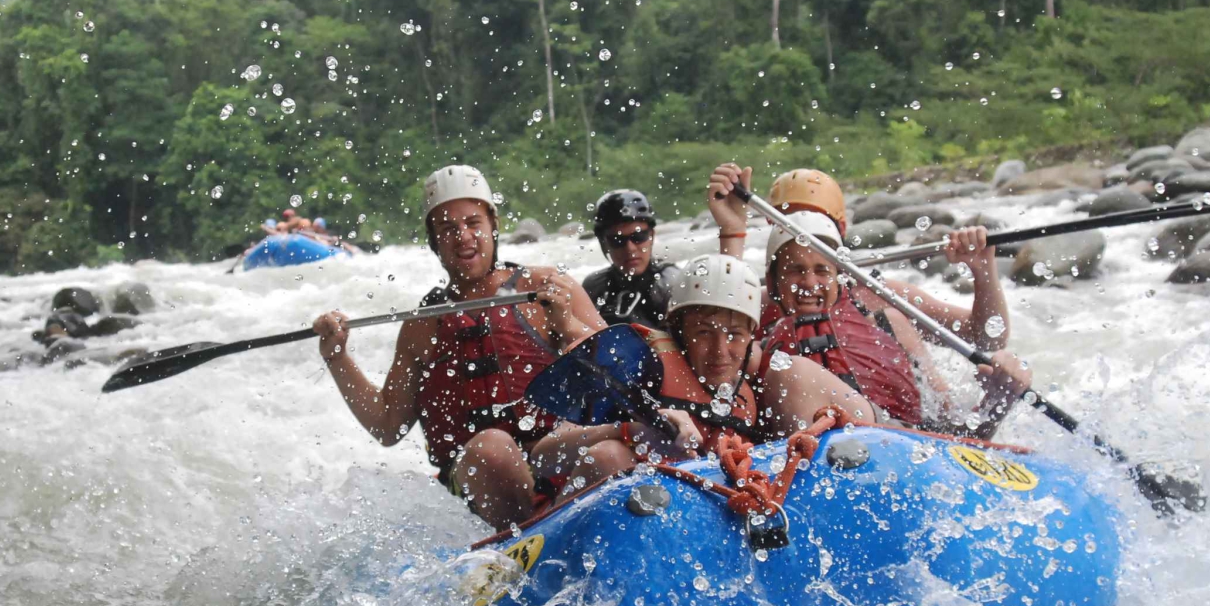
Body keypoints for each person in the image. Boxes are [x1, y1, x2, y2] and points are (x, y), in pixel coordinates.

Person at [313, 165, 607, 529]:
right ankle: (529, 544)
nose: (463, 237)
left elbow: (617, 372)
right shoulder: (422, 325)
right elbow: (388, 425)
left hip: (552, 458)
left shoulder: (547, 286)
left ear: (492, 225)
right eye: (448, 228)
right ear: (434, 240)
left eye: (473, 223)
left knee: (612, 446)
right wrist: (337, 358)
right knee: (492, 449)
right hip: (477, 479)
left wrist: (566, 323)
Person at [531, 254, 877, 496]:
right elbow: (543, 456)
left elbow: (867, 424)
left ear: (751, 336)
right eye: (703, 333)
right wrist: (632, 429)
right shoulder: (641, 369)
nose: (720, 351)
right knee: (609, 455)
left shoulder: (770, 375)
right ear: (679, 332)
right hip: (638, 512)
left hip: (720, 508)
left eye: (734, 335)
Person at [745, 205, 1033, 438]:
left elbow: (987, 339)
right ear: (773, 280)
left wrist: (983, 270)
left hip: (894, 439)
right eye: (795, 271)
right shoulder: (754, 316)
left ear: (838, 272)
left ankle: (999, 399)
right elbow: (711, 318)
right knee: (789, 372)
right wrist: (730, 231)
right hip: (804, 447)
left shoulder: (884, 304)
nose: (809, 282)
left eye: (822, 270)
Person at [581, 190, 679, 328]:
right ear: (604, 243)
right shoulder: (594, 286)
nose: (630, 248)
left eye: (638, 237)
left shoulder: (671, 283)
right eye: (617, 240)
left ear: (651, 236)